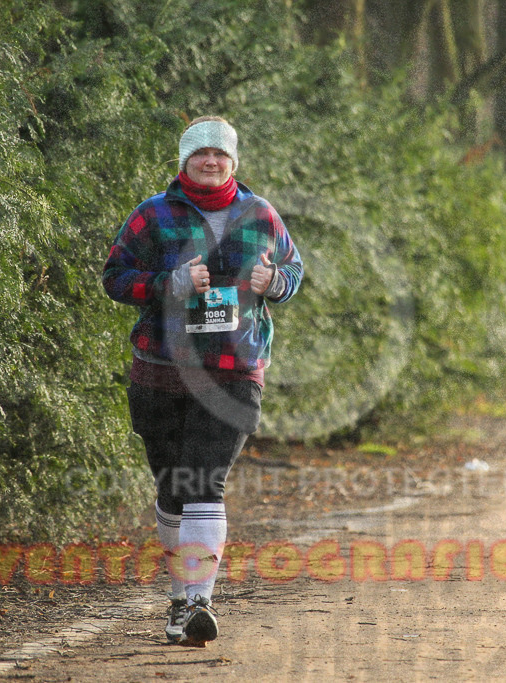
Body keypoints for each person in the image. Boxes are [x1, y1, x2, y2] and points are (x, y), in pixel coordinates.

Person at [102, 116, 303, 646]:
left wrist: (275, 281)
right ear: (185, 162)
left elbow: (294, 270)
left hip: (235, 371)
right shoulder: (152, 215)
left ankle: (198, 601)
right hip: (162, 371)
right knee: (173, 489)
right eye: (201, 154)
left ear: (233, 162)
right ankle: (180, 600)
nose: (211, 161)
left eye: (220, 154)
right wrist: (170, 282)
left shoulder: (261, 215)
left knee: (204, 482)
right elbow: (115, 278)